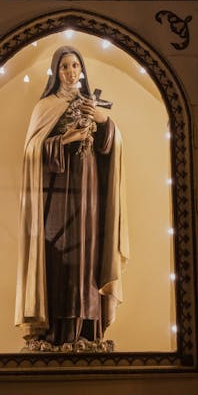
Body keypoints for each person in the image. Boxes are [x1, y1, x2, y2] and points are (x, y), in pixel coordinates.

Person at [15, 45, 128, 347]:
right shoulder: (45, 107)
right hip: (55, 197)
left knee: (88, 256)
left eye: (75, 65)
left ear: (82, 70)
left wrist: (102, 120)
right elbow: (31, 153)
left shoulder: (91, 104)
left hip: (89, 193)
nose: (71, 71)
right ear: (56, 71)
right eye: (64, 66)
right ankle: (55, 332)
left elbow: (110, 146)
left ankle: (89, 332)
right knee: (59, 255)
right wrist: (65, 139)